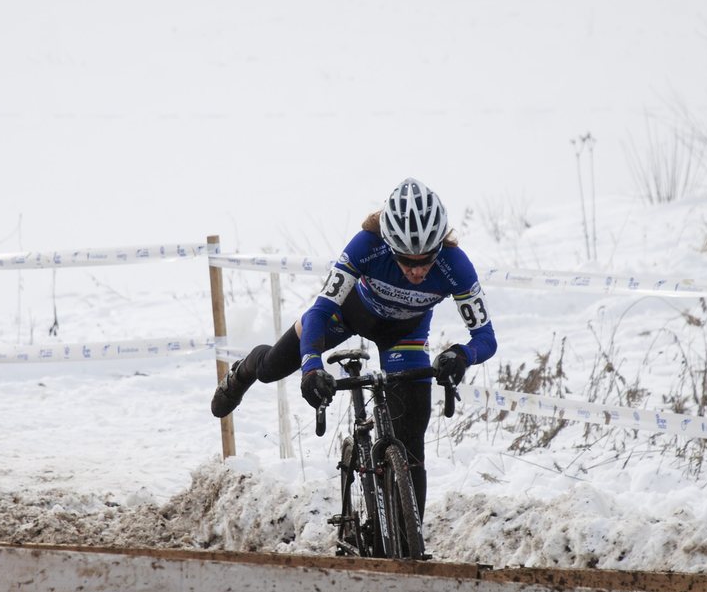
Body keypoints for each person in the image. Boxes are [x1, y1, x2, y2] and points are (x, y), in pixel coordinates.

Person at [210, 177, 497, 518]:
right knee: (273, 368)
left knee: (410, 442)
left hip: (404, 336)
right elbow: (319, 311)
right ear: (390, 245)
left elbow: (486, 338)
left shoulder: (456, 265)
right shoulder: (366, 245)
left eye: (427, 259)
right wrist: (312, 367)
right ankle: (246, 370)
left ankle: (409, 545)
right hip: (348, 316)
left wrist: (461, 355)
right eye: (407, 260)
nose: (418, 270)